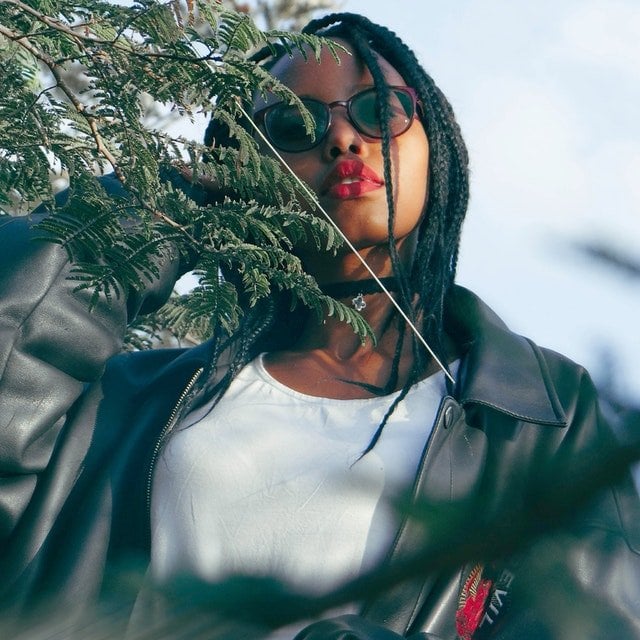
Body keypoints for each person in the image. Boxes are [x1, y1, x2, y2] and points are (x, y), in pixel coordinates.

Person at [0, 11, 638, 640]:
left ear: (437, 143)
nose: (341, 140)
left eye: (379, 109)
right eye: (291, 125)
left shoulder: (539, 413)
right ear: (248, 173)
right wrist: (162, 203)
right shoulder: (127, 404)